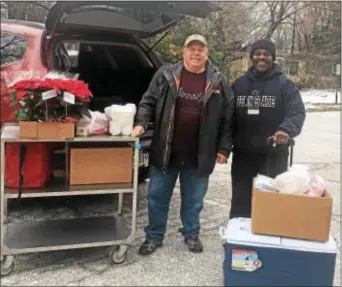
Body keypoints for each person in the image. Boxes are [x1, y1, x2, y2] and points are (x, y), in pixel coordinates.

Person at [132, 34, 234, 255]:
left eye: (201, 49)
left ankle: (191, 234)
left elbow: (228, 118)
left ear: (207, 53)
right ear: (183, 52)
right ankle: (154, 236)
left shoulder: (218, 81)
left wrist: (224, 148)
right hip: (166, 151)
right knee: (157, 197)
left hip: (200, 155)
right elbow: (147, 101)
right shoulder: (166, 74)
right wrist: (140, 123)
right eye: (192, 49)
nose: (196, 53)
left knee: (194, 200)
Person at [230, 39, 306, 219]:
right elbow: (226, 117)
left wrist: (285, 130)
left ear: (273, 57)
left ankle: (268, 239)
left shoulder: (285, 85)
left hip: (274, 154)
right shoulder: (238, 85)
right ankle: (240, 239)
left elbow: (296, 112)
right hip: (243, 155)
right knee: (241, 201)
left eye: (266, 54)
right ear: (251, 57)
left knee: (271, 202)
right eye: (257, 53)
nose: (261, 57)